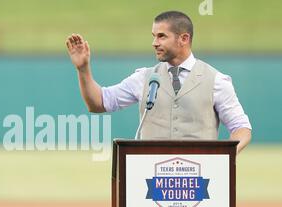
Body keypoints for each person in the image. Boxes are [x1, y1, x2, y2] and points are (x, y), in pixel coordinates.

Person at [66, 11, 251, 153]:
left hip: (198, 182)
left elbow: (241, 128)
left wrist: (224, 159)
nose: (154, 42)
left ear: (184, 39)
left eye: (162, 36)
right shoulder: (144, 78)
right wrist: (83, 69)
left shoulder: (217, 81)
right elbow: (99, 102)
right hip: (152, 181)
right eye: (154, 36)